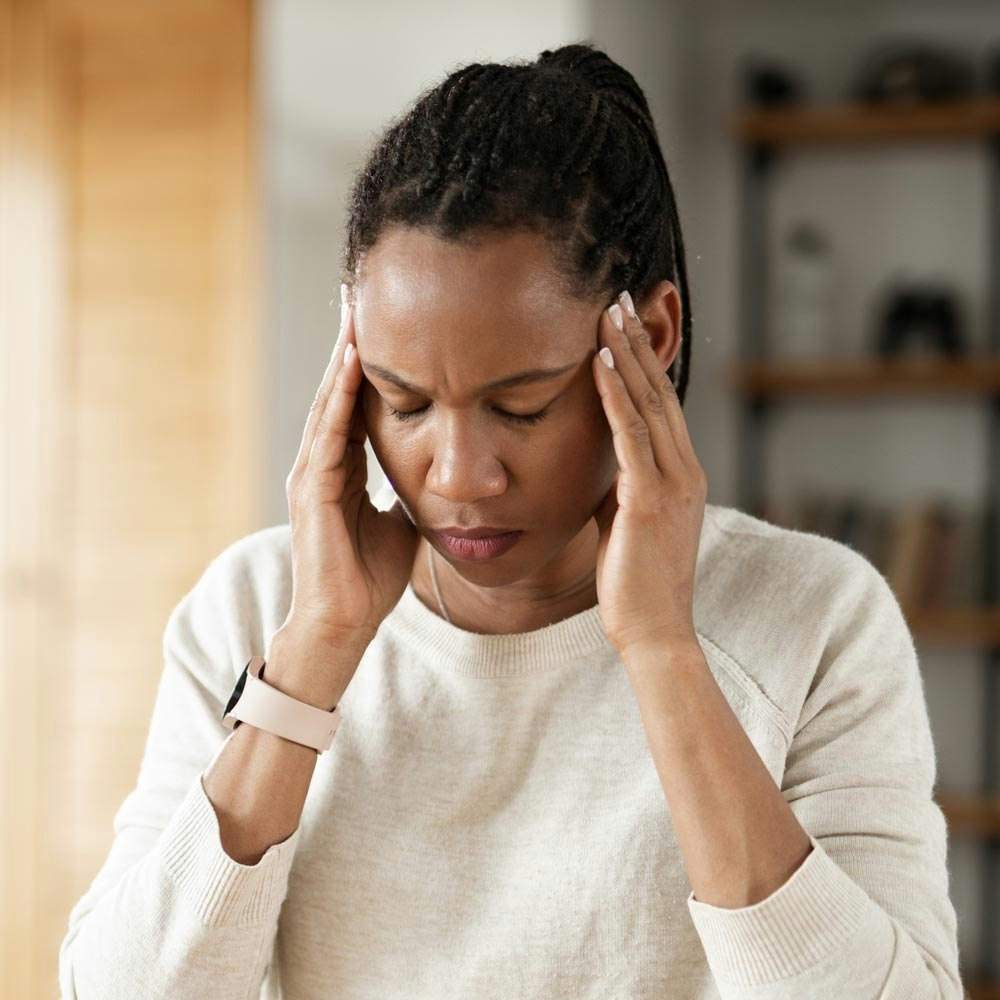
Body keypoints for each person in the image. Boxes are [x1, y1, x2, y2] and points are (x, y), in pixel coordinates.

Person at [58, 42, 964, 999]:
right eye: (403, 402)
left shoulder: (815, 618)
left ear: (649, 339)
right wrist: (317, 653)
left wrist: (660, 647)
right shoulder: (251, 611)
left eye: (521, 406)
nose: (458, 477)